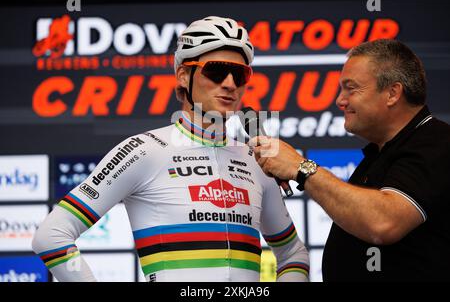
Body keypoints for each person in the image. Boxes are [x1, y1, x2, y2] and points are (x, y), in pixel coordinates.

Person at [32, 16, 309, 282]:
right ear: (182, 75)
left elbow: (293, 254)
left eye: (240, 74)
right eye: (215, 71)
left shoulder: (257, 161)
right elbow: (51, 235)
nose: (229, 83)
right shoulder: (144, 151)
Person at [251, 39, 450, 281]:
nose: (340, 100)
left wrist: (300, 167)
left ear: (392, 93)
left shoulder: (437, 142)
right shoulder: (380, 154)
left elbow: (383, 223)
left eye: (351, 88)